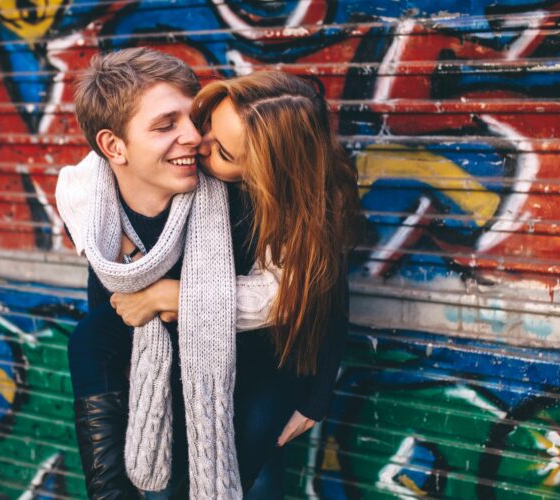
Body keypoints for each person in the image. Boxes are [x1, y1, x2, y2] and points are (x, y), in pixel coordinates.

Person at [110, 71, 360, 497]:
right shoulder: (183, 171)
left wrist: (316, 398)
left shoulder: (311, 199)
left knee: (247, 485)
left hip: (269, 374)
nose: (197, 143)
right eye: (206, 123)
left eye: (222, 150)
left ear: (267, 173)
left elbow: (323, 296)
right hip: (183, 372)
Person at [57, 48, 281, 499]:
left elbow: (303, 291)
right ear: (113, 147)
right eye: (165, 126)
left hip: (242, 421)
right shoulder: (98, 214)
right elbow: (104, 336)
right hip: (151, 426)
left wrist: (174, 296)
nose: (195, 138)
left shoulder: (241, 197)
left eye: (192, 119)